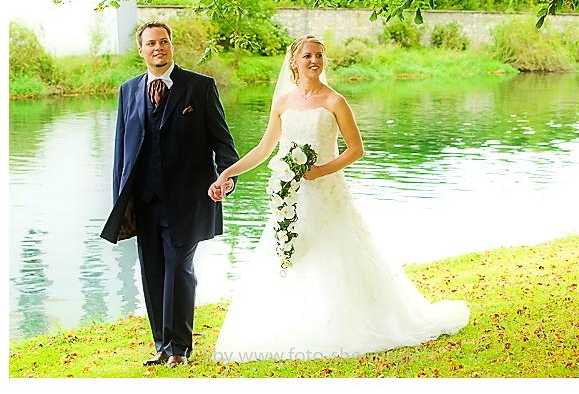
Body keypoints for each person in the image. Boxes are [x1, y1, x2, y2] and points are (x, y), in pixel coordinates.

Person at [209, 34, 469, 363]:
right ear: (294, 61)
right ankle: (293, 324)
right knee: (292, 252)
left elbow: (356, 149)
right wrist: (227, 173)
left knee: (335, 251)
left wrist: (321, 170)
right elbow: (264, 149)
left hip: (327, 191)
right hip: (290, 195)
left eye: (319, 55)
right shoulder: (284, 102)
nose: (314, 61)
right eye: (308, 56)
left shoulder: (334, 101)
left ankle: (349, 323)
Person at [100, 21, 239, 367]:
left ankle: (179, 348)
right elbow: (121, 152)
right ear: (141, 50)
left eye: (163, 41)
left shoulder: (200, 87)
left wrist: (227, 177)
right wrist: (121, 202)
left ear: (171, 45)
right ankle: (162, 346)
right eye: (151, 43)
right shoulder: (128, 90)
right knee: (152, 272)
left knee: (179, 268)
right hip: (144, 202)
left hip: (188, 201)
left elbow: (223, 144)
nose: (158, 47)